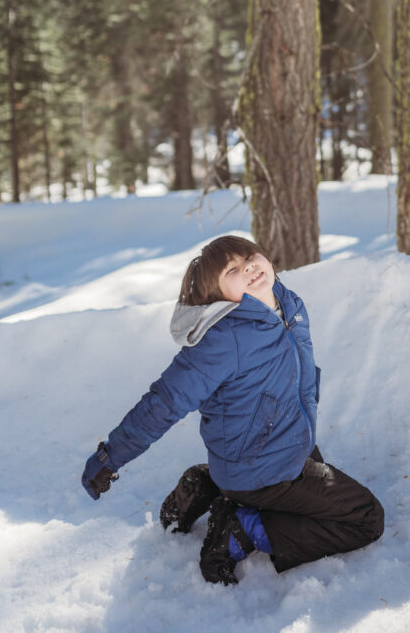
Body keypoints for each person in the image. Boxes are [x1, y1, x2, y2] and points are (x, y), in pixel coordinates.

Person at [81, 235, 384, 584]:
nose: (250, 268)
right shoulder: (222, 340)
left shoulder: (287, 304)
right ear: (217, 295)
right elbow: (163, 403)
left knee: (313, 466)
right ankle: (240, 529)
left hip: (275, 448)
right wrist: (110, 457)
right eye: (233, 270)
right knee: (365, 517)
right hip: (261, 468)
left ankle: (211, 483)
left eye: (251, 257)